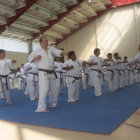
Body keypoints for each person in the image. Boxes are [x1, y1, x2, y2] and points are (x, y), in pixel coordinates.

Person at [29, 36, 67, 112]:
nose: (47, 42)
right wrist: (35, 58)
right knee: (44, 89)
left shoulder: (51, 50)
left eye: (47, 41)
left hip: (52, 72)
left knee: (54, 89)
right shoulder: (37, 51)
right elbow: (30, 58)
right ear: (40, 43)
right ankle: (40, 108)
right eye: (45, 41)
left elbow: (58, 52)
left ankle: (53, 103)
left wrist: (64, 52)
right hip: (43, 72)